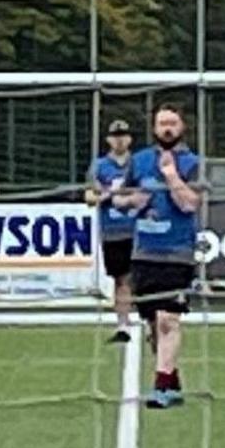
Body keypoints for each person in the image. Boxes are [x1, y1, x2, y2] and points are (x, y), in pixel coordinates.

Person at [124, 102, 203, 408]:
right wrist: (135, 199)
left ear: (182, 127)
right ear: (154, 128)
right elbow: (121, 202)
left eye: (172, 122)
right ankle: (171, 380)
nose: (167, 128)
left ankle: (161, 386)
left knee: (169, 319)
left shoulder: (192, 162)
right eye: (161, 123)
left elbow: (190, 204)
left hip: (177, 252)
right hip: (144, 252)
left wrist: (171, 177)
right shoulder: (140, 160)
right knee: (153, 327)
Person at [84, 117, 147, 343]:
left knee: (142, 278)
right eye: (115, 136)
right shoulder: (99, 166)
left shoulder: (139, 163)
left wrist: (127, 198)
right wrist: (108, 194)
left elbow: (147, 193)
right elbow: (90, 197)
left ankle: (148, 320)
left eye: (123, 136)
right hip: (113, 230)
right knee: (120, 279)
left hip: (140, 230)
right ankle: (123, 325)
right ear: (109, 140)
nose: (119, 141)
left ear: (129, 139)